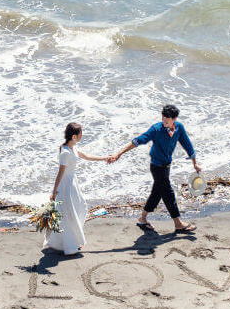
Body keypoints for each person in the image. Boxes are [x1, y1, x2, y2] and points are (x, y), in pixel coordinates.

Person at [110, 104, 201, 234]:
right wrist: (119, 153)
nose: (164, 120)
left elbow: (187, 144)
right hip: (157, 167)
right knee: (168, 193)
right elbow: (138, 140)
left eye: (167, 118)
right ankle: (178, 224)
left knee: (157, 193)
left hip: (167, 166)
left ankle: (142, 219)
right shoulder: (156, 129)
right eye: (163, 117)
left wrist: (195, 163)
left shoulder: (179, 128)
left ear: (174, 119)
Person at [43, 122, 110, 256]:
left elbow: (87, 156)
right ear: (74, 136)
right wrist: (54, 191)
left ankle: (73, 239)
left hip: (73, 184)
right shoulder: (66, 152)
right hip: (66, 186)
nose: (82, 135)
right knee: (70, 213)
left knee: (80, 208)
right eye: (80, 133)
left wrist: (105, 158)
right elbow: (60, 172)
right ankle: (71, 243)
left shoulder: (71, 148)